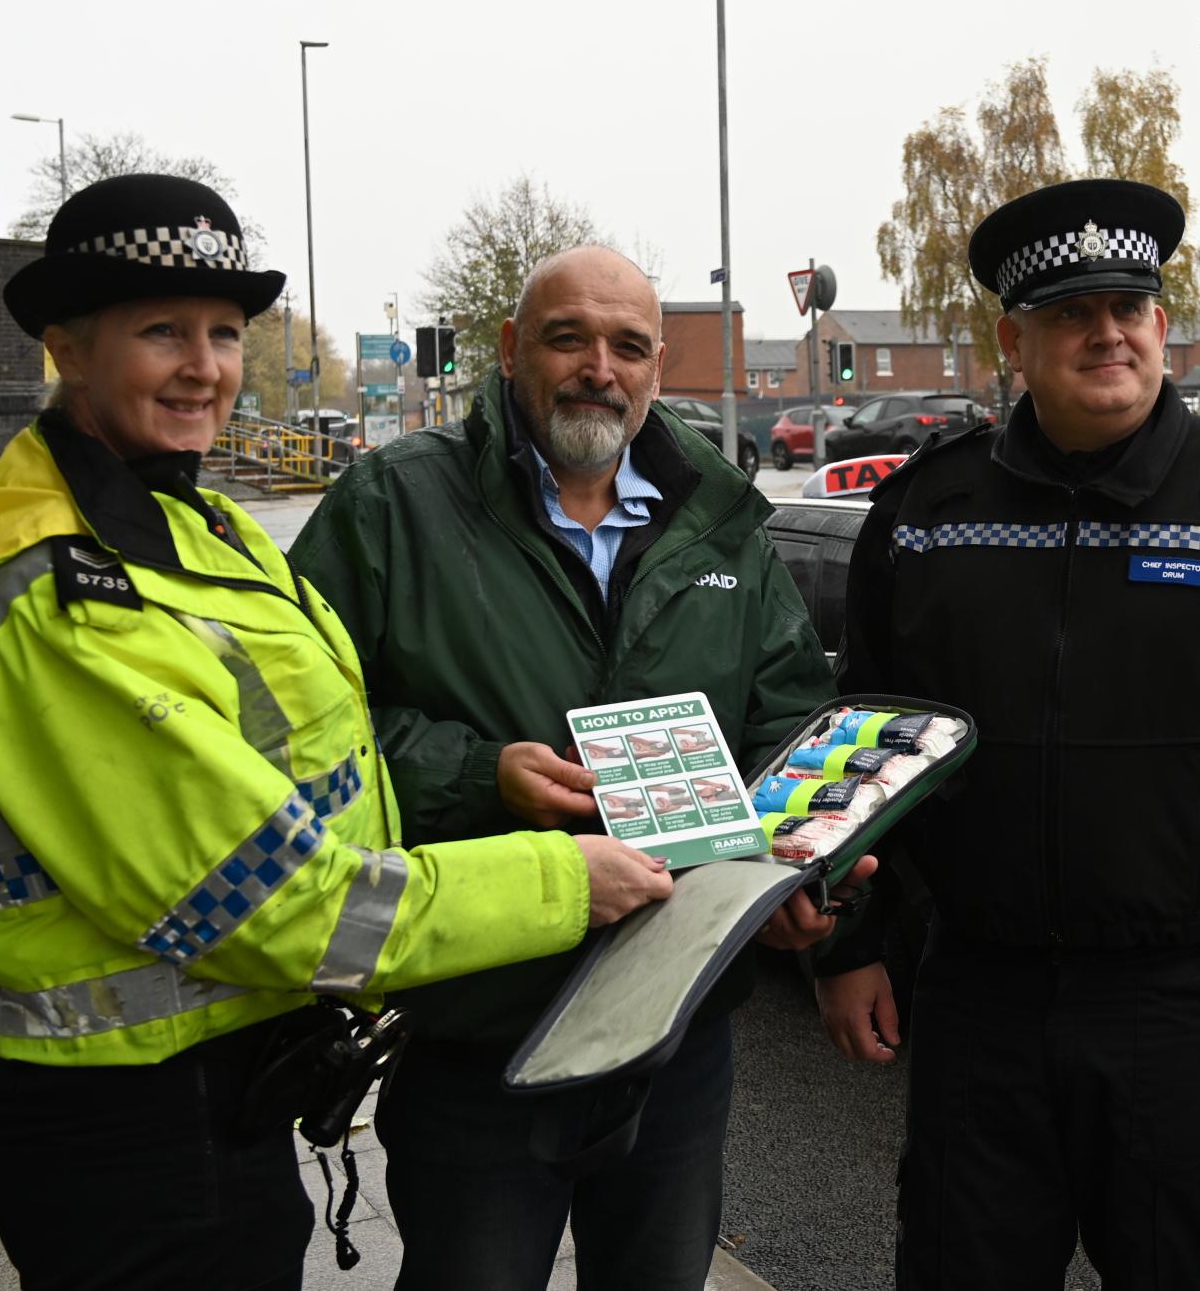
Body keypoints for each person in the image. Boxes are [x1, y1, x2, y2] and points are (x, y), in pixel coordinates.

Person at [0, 175, 673, 1291]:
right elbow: (274, 902)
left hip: (216, 1094)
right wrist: (559, 880)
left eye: (222, 332)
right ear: (67, 345)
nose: (204, 366)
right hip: (135, 1129)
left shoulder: (180, 522)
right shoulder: (58, 595)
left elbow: (324, 762)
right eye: (161, 331)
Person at [813, 178, 1200, 1290]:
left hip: (1175, 1007)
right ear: (1015, 338)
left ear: (1159, 324)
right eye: (1072, 313)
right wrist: (848, 945)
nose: (1108, 333)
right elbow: (866, 751)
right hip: (977, 1001)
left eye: (1130, 307)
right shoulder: (930, 518)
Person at [289, 245, 845, 1291]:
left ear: (658, 369)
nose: (600, 366)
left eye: (629, 346)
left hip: (676, 1027)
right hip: (482, 1023)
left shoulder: (718, 515)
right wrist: (474, 772)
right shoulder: (392, 505)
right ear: (510, 352)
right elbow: (305, 740)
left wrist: (799, 864)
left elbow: (790, 719)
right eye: (568, 338)